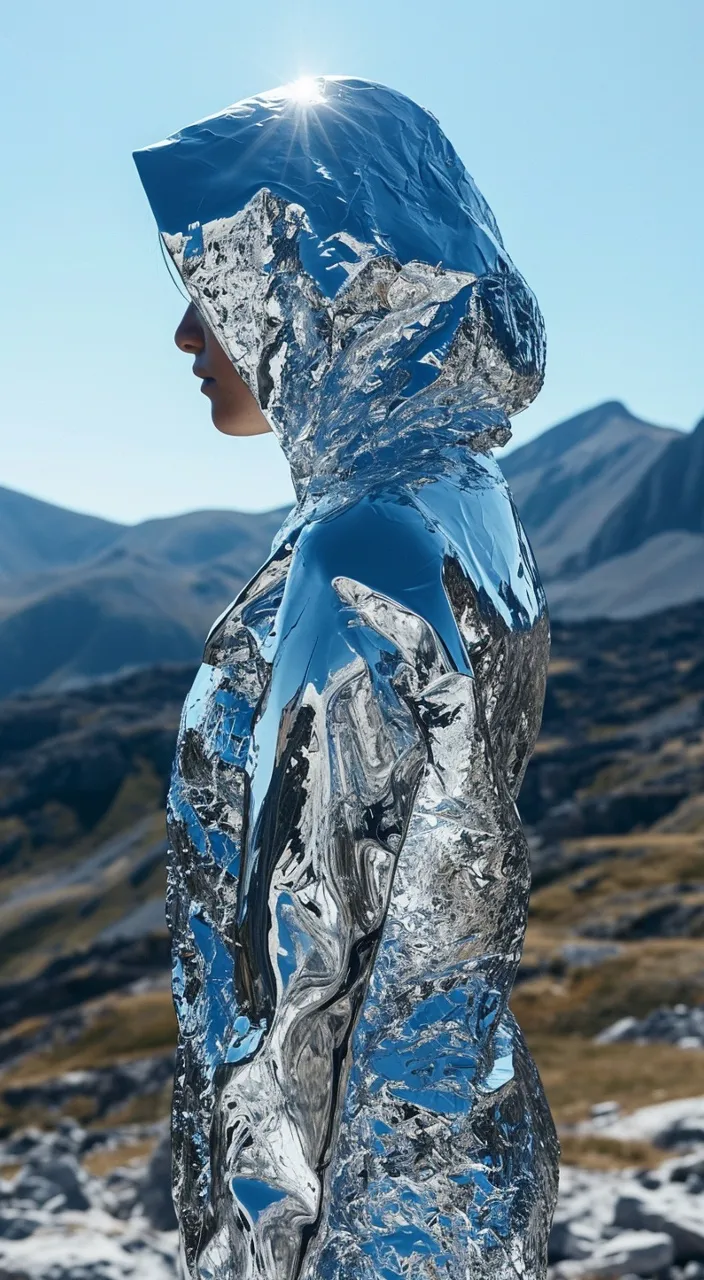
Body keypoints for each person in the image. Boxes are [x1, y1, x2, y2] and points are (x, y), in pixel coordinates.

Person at [135, 75, 559, 1280]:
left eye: (212, 293)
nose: (186, 336)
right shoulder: (465, 502)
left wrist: (254, 1254)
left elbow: (298, 979)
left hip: (356, 1219)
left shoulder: (357, 544)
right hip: (456, 1147)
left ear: (321, 289)